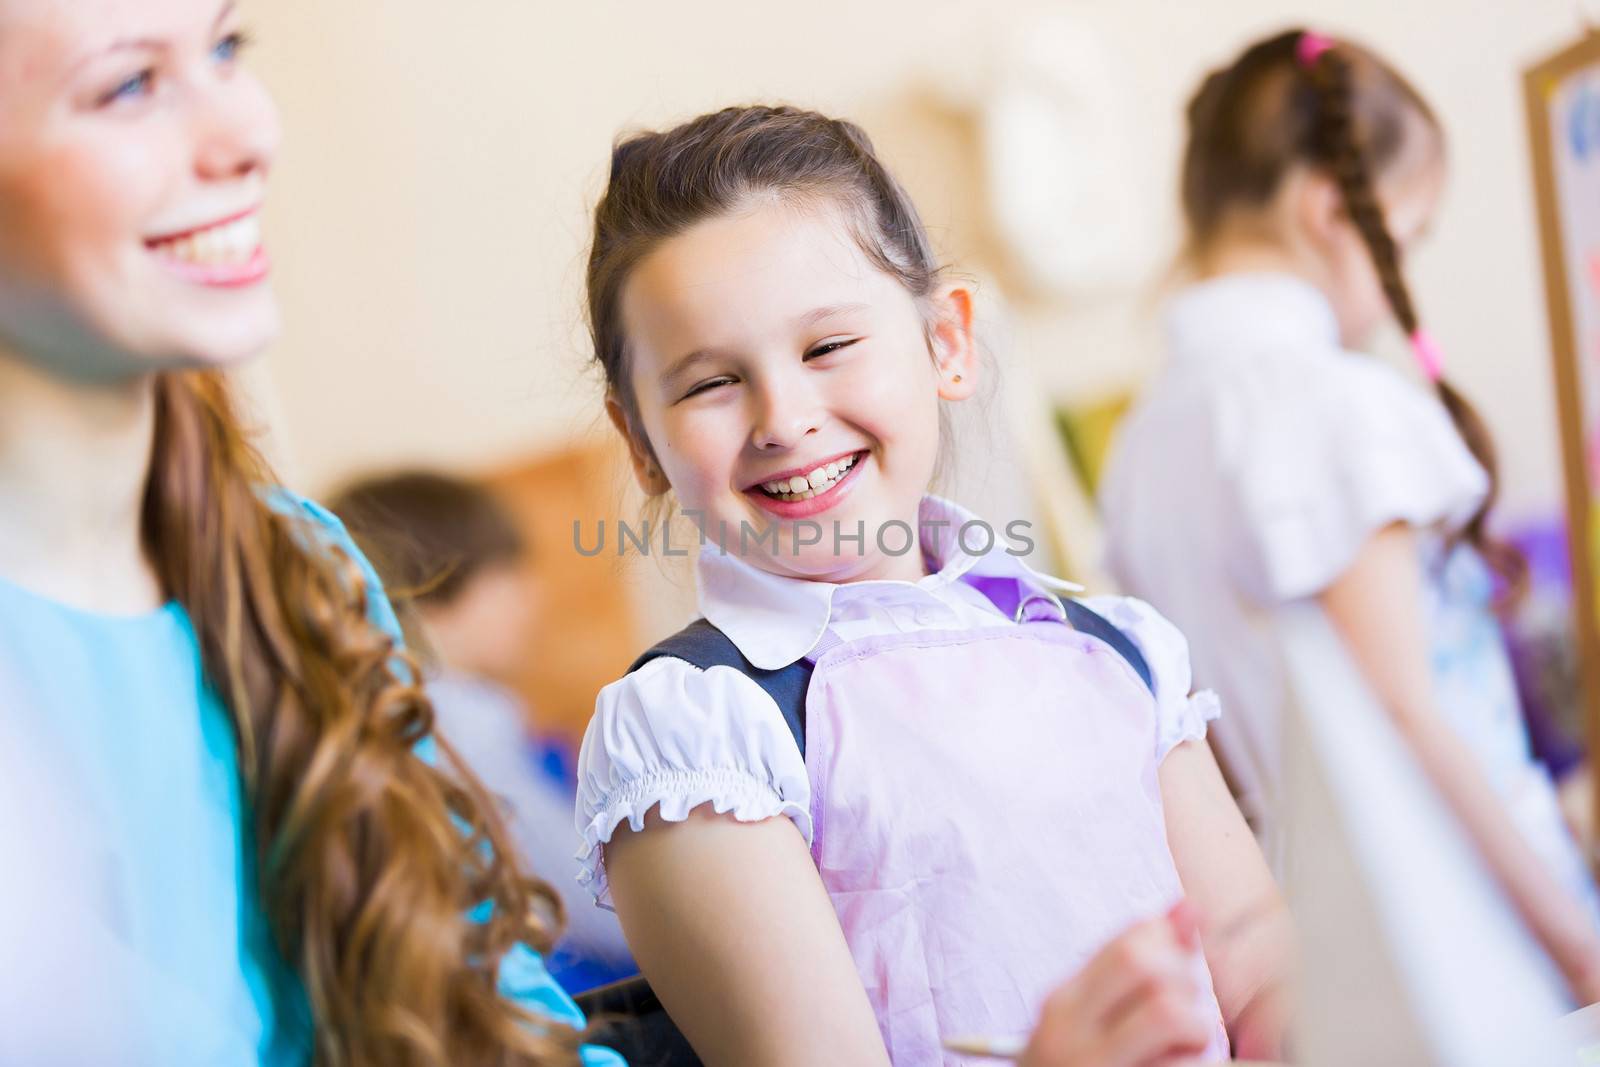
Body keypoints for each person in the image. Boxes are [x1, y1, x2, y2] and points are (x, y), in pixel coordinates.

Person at [573, 105, 1293, 1065]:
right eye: (711, 382)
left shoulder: (1117, 649)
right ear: (640, 442)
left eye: (828, 347)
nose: (785, 418)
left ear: (946, 343)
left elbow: (1263, 982)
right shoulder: (696, 732)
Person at [0, 1, 619, 1063]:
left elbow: (498, 1003)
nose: (247, 131)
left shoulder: (305, 560)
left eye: (226, 49)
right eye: (129, 86)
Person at [1099, 28, 1600, 1004]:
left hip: (1317, 946)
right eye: (1404, 242)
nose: (1393, 288)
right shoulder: (1336, 405)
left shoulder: (1142, 442)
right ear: (1328, 210)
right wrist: (1577, 949)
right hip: (1473, 931)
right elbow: (1409, 718)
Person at [329, 471, 636, 991]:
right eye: (509, 572)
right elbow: (597, 911)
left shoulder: (366, 717)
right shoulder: (455, 719)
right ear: (435, 588)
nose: (532, 596)